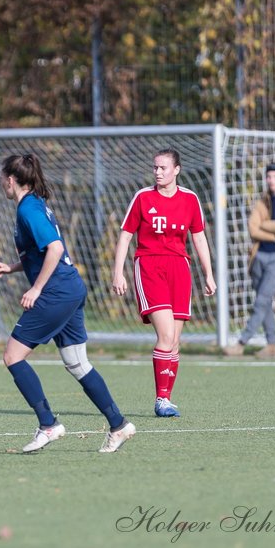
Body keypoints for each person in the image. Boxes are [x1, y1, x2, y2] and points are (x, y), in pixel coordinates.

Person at [0, 154, 134, 454]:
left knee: (13, 356)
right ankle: (119, 425)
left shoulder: (28, 208)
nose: (0, 183)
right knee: (77, 362)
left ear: (10, 179)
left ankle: (48, 424)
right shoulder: (33, 205)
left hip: (56, 291)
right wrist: (13, 268)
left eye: (1, 178)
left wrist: (36, 288)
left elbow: (55, 249)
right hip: (70, 288)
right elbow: (41, 252)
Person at [111, 148, 217, 418]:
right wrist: (117, 272)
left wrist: (208, 273)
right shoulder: (143, 197)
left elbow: (199, 238)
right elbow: (125, 236)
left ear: (177, 170)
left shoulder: (191, 199)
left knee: (175, 341)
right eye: (155, 167)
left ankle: (167, 398)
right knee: (166, 337)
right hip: (149, 266)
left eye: (163, 168)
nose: (157, 172)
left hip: (179, 269)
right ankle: (161, 399)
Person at [224, 162, 275, 358]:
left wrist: (265, 226)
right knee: (263, 303)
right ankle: (272, 344)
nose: (271, 180)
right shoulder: (262, 201)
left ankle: (241, 343)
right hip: (258, 257)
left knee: (261, 301)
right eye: (269, 176)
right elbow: (252, 228)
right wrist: (272, 233)